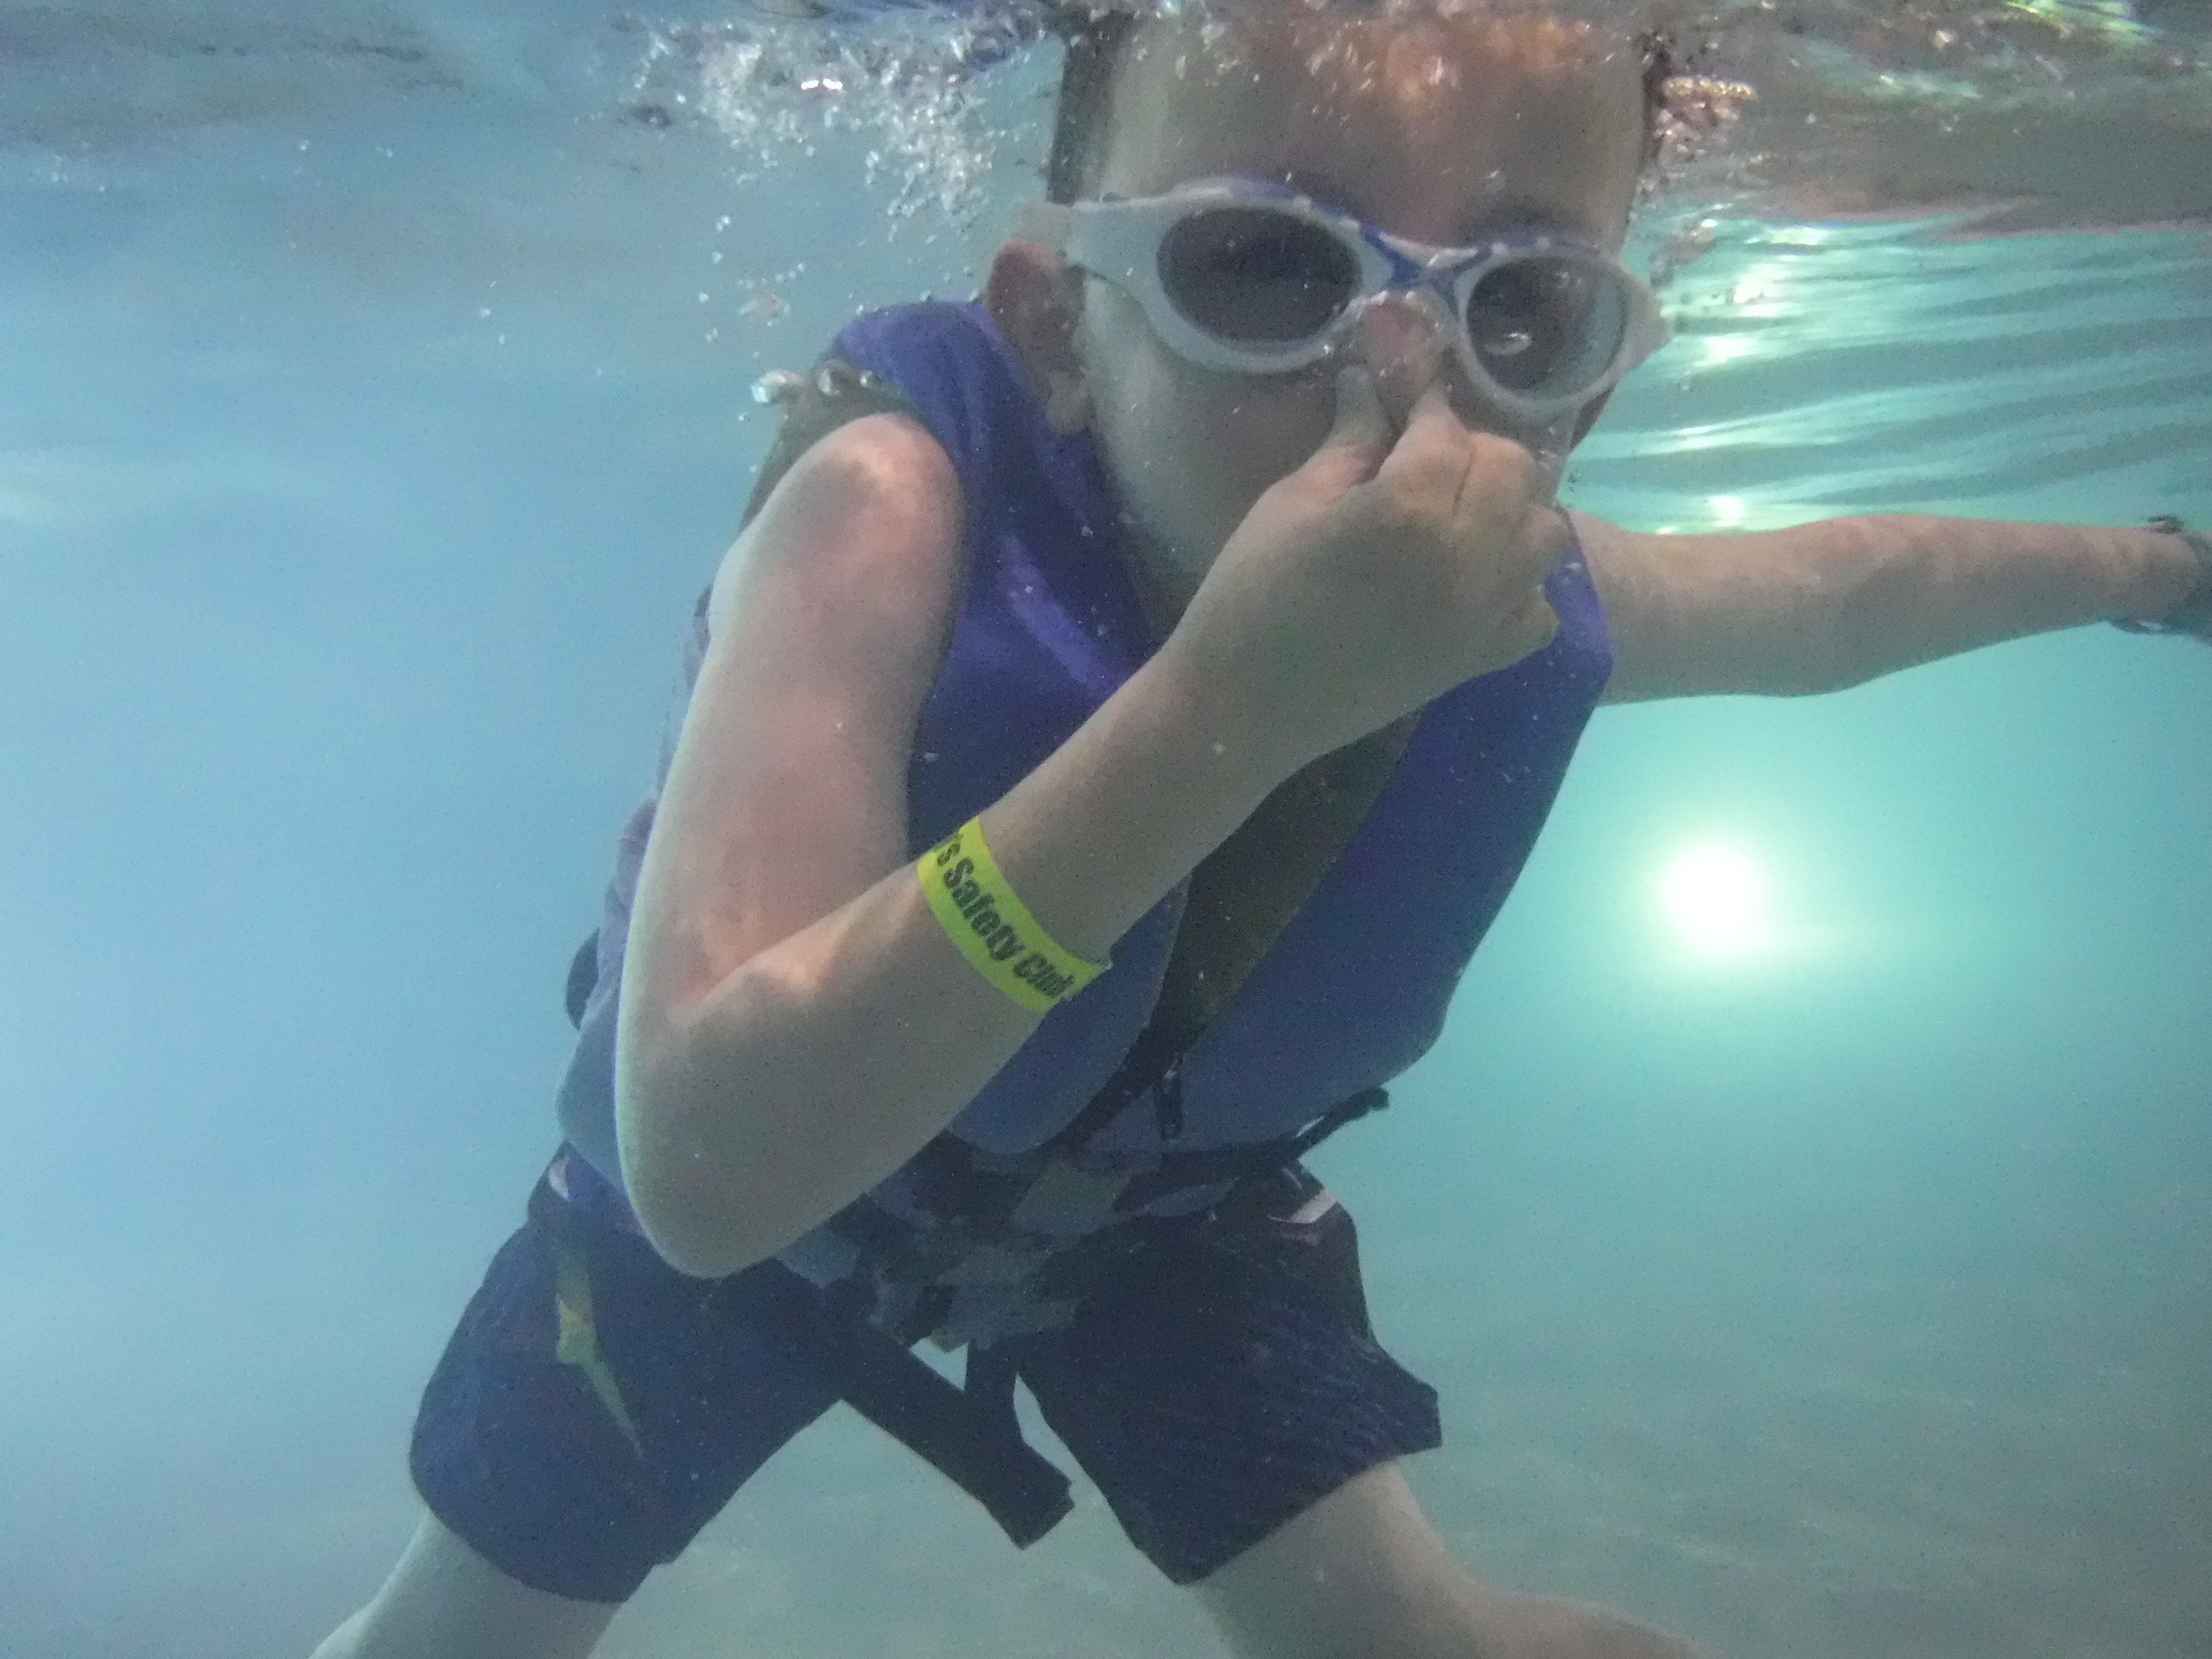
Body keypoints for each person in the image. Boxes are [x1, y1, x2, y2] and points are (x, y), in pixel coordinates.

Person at [313, 5, 2211, 1658]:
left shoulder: (1519, 601)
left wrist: (2163, 571)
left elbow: (1837, 597)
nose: (1402, 380)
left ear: (1596, 383)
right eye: (1263, 267)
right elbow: (713, 1180)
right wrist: (1234, 714)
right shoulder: (885, 510)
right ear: (1055, 327)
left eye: (1522, 309)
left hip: (1158, 1230)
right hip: (742, 1250)